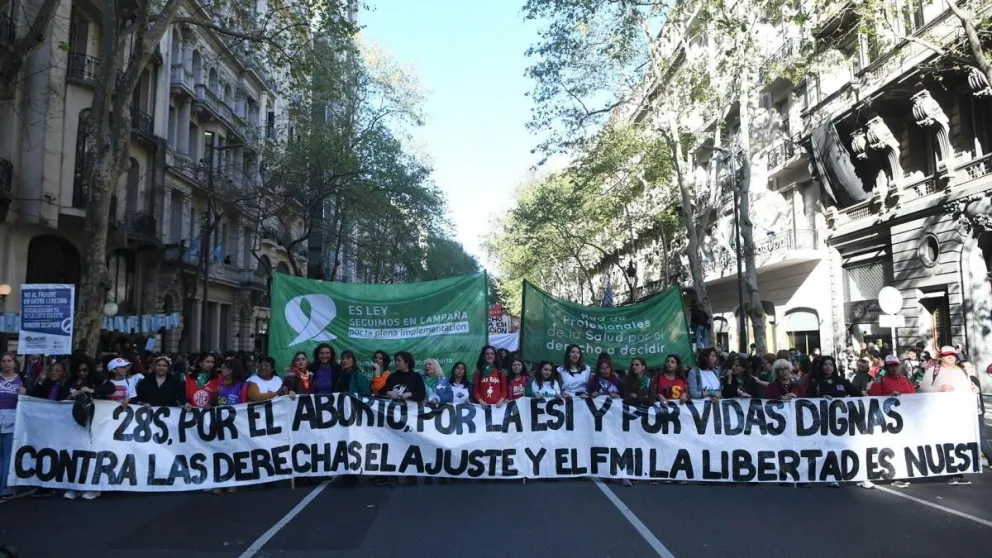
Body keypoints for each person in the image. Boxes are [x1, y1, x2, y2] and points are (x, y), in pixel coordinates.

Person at [918, 346, 979, 486]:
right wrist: (938, 388)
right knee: (945, 442)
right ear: (941, 357)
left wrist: (974, 390)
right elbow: (922, 388)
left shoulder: (961, 371)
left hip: (960, 414)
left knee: (959, 442)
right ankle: (950, 473)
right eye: (946, 355)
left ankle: (958, 472)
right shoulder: (932, 371)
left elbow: (968, 387)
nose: (950, 357)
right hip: (940, 414)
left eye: (952, 354)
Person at [0, 352, 26, 501]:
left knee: (8, 456)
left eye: (9, 361)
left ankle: (6, 488)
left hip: (12, 421)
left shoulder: (21, 379)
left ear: (14, 363)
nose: (6, 363)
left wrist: (23, 393)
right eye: (3, 361)